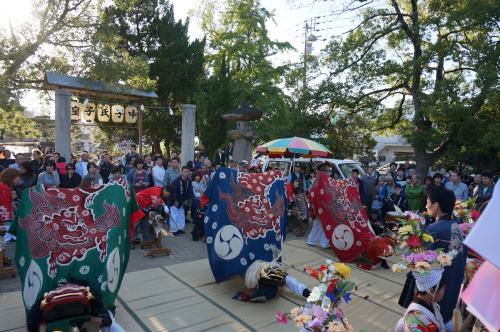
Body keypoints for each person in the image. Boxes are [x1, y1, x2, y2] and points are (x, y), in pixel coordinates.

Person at [425, 186, 467, 329]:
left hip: (436, 292)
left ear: (436, 206)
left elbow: (423, 265)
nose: (426, 205)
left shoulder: (433, 230)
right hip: (454, 286)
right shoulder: (458, 228)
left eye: (428, 201)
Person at [171, 166, 193, 235]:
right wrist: (175, 200)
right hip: (175, 201)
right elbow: (173, 191)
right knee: (174, 215)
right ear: (181, 172)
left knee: (181, 215)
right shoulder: (176, 181)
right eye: (185, 172)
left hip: (182, 200)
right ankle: (174, 230)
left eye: (187, 172)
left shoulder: (188, 181)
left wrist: (187, 199)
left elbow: (189, 191)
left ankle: (180, 228)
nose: (186, 173)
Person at [0, 168, 20, 242]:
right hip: (4, 211)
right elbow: (4, 203)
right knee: (7, 225)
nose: (18, 180)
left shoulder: (4, 186)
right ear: (10, 178)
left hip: (6, 210)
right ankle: (8, 237)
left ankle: (9, 236)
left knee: (8, 224)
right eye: (16, 178)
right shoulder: (4, 187)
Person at [191, 170, 206, 241]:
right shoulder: (192, 183)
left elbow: (204, 190)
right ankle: (195, 230)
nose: (197, 177)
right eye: (196, 176)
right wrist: (200, 194)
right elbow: (194, 193)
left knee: (199, 216)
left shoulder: (200, 182)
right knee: (196, 215)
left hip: (200, 201)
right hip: (195, 200)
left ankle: (197, 230)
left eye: (198, 176)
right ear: (194, 177)